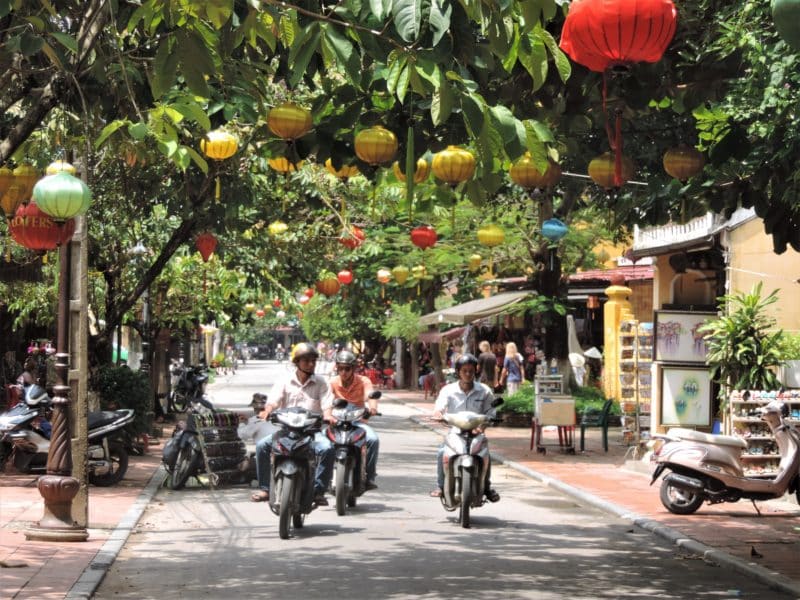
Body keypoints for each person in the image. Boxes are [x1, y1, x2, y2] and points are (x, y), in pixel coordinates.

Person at [250, 343, 334, 505]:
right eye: (306, 361)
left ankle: (318, 490)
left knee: (327, 449)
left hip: (311, 432)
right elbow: (274, 400)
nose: (311, 364)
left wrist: (328, 415)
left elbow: (327, 404)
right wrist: (267, 410)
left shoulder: (321, 383)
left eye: (313, 361)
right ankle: (266, 489)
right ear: (297, 362)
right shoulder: (284, 381)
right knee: (262, 446)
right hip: (286, 431)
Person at [430, 353, 500, 502]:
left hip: (477, 432)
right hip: (455, 432)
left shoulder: (485, 390)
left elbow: (491, 411)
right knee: (442, 452)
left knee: (485, 454)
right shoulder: (448, 390)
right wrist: (438, 414)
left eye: (471, 371)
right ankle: (440, 486)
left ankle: (486, 487)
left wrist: (483, 426)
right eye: (464, 371)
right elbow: (440, 406)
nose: (468, 374)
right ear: (458, 372)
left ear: (475, 371)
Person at [328, 350, 380, 490]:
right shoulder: (332, 383)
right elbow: (325, 400)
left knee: (373, 440)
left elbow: (371, 396)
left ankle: (369, 477)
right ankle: (321, 478)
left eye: (347, 368)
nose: (343, 372)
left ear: (353, 368)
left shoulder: (364, 381)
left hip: (357, 421)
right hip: (337, 422)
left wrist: (372, 409)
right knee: (322, 443)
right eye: (340, 368)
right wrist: (328, 415)